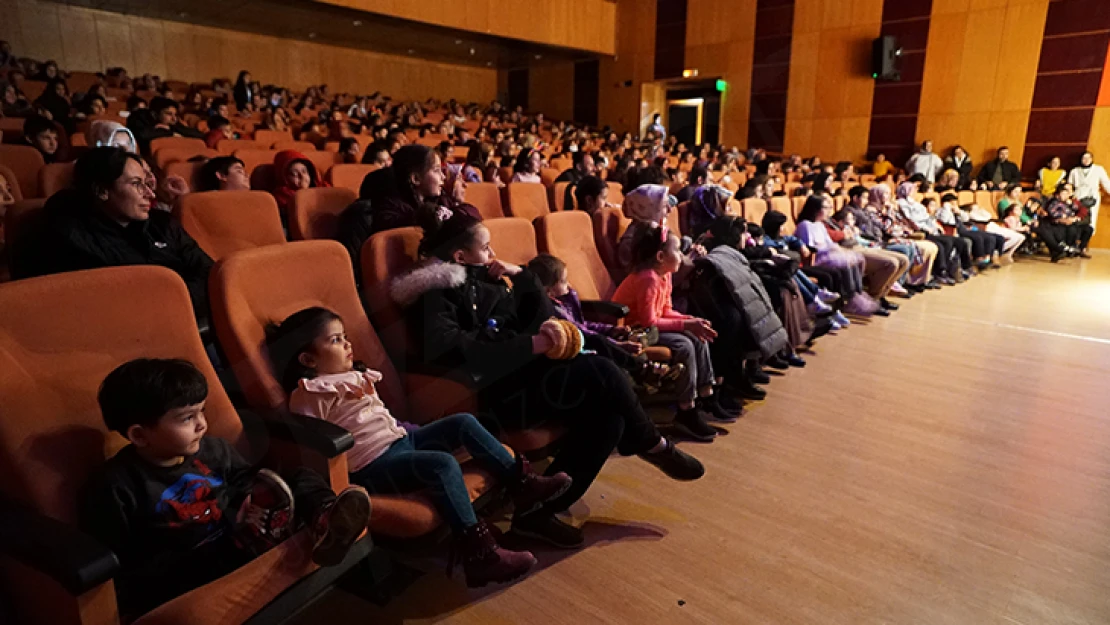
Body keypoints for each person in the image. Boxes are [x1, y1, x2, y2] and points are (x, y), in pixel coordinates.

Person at [390, 209, 705, 547]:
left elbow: (541, 318)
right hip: (491, 394)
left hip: (527, 377)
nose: (493, 255)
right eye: (486, 248)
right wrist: (531, 343)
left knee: (609, 419)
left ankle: (535, 517)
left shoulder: (488, 280)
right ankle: (649, 442)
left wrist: (523, 277)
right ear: (460, 255)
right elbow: (453, 348)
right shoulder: (435, 293)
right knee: (602, 370)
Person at [268, 308, 572, 587]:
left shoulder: (354, 376)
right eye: (336, 340)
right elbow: (307, 439)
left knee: (463, 422)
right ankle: (479, 554)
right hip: (373, 466)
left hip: (401, 441)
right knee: (441, 463)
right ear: (308, 360)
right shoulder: (310, 392)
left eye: (345, 337)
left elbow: (380, 418)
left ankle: (523, 482)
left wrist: (410, 429)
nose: (348, 344)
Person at [80, 358, 372, 620]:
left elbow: (243, 478)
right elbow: (123, 563)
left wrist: (248, 500)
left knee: (300, 476)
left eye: (202, 412)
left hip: (240, 522)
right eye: (187, 418)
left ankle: (325, 518)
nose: (202, 425)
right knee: (191, 558)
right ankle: (259, 537)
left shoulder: (212, 449)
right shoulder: (116, 485)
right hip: (193, 559)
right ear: (139, 435)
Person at [12, 147, 214, 321]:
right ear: (102, 191)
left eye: (147, 183)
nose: (150, 194)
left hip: (189, 324)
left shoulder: (162, 222)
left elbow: (208, 272)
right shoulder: (64, 238)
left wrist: (177, 303)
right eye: (136, 184)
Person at [613, 225, 741, 441]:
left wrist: (689, 320)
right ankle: (686, 409)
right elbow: (648, 321)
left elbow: (665, 310)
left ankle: (706, 396)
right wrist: (685, 326)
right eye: (678, 251)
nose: (682, 256)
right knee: (685, 345)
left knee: (698, 338)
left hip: (650, 326)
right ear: (661, 256)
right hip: (635, 331)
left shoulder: (665, 275)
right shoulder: (648, 279)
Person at [527, 254, 677, 393]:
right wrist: (617, 344)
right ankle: (644, 373)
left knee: (652, 331)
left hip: (595, 338)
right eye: (564, 282)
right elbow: (585, 334)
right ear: (549, 292)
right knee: (618, 351)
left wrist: (612, 330)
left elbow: (584, 324)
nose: (570, 285)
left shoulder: (564, 301)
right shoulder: (555, 312)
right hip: (584, 347)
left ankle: (639, 346)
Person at [360, 144, 472, 236]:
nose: (442, 177)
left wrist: (456, 202)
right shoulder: (389, 212)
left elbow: (472, 218)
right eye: (436, 170)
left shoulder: (437, 199)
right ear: (416, 179)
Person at [795, 195, 879, 315]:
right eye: (826, 207)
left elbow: (829, 242)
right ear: (816, 209)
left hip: (828, 254)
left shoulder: (820, 225)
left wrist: (838, 249)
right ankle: (851, 298)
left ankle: (857, 292)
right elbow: (811, 248)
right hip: (817, 258)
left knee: (854, 258)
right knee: (844, 261)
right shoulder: (805, 225)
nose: (829, 210)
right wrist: (833, 250)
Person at [860, 184, 938, 291]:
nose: (887, 196)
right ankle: (895, 283)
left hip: (896, 235)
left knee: (921, 247)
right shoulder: (871, 210)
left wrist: (900, 229)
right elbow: (886, 227)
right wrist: (890, 212)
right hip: (882, 240)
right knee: (906, 248)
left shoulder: (884, 208)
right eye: (885, 193)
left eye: (888, 193)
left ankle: (906, 282)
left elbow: (899, 223)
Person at [895, 183, 962, 284]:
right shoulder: (901, 203)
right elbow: (911, 220)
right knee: (939, 245)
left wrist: (934, 226)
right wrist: (926, 228)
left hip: (928, 228)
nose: (914, 193)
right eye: (912, 190)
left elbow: (927, 217)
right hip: (919, 231)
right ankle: (939, 272)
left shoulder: (915, 204)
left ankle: (946, 270)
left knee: (950, 241)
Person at [1040, 182, 1093, 261]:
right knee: (1070, 229)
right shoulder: (1054, 201)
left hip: (1072, 221)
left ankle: (1080, 249)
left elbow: (1083, 210)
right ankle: (1067, 249)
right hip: (1058, 222)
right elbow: (1051, 213)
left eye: (1068, 191)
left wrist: (1075, 218)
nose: (1067, 193)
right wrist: (1063, 219)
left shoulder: (1073, 201)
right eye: (1065, 191)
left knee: (1088, 229)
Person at [271, 149, 331, 214]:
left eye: (304, 171)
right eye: (295, 174)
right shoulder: (282, 198)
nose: (302, 176)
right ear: (285, 178)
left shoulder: (323, 188)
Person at [1067, 151, 1110, 234]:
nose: (1086, 160)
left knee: (1092, 219)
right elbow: (1069, 185)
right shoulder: (1074, 171)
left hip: (1092, 195)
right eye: (1084, 158)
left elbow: (1106, 183)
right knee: (1078, 217)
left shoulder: (1098, 169)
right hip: (1078, 195)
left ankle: (1086, 240)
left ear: (1091, 159)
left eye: (1088, 158)